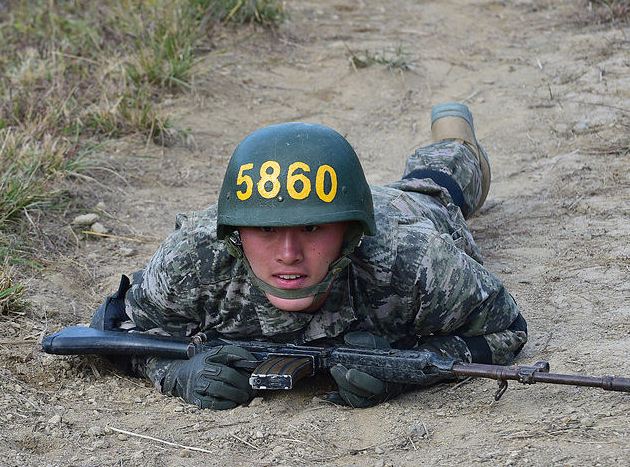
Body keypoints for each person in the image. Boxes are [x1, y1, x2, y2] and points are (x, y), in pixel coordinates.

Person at [90, 102, 527, 409]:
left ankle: (455, 135)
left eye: (311, 229)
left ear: (351, 233)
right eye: (266, 229)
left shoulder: (412, 257)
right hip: (336, 199)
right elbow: (115, 328)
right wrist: (174, 373)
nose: (288, 254)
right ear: (236, 233)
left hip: (408, 209)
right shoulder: (194, 260)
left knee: (438, 184)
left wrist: (409, 368)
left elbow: (506, 328)